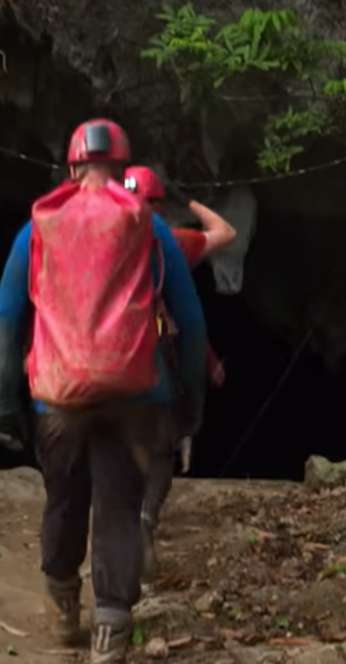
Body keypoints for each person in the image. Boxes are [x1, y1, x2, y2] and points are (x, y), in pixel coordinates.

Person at [0, 120, 208, 664]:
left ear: (72, 168)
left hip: (57, 401)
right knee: (119, 504)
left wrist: (3, 403)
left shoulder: (40, 227)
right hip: (137, 397)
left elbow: (6, 319)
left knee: (64, 496)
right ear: (124, 168)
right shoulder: (149, 228)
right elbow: (192, 324)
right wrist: (190, 406)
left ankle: (64, 602)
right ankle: (111, 628)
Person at [122, 165, 234, 583]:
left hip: (97, 359)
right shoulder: (172, 241)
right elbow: (226, 232)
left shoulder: (99, 237)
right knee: (161, 450)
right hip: (153, 357)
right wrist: (184, 198)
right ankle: (145, 519)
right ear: (158, 204)